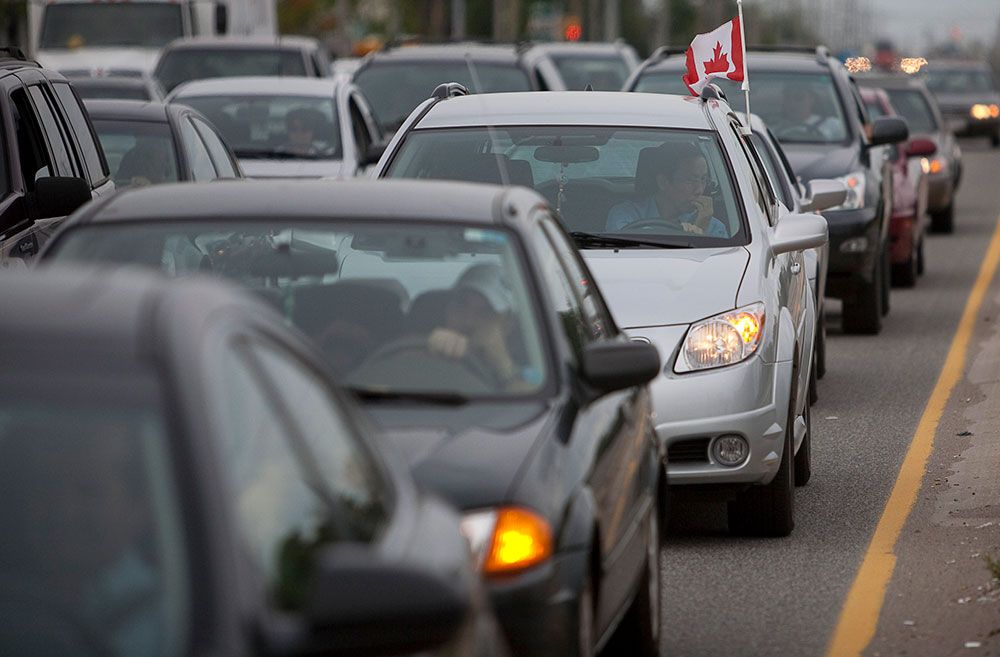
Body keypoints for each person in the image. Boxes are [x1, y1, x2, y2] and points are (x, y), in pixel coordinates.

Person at [427, 263, 531, 390]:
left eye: (486, 312)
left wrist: (504, 366)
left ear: (508, 324)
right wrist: (427, 354)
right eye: (461, 305)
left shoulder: (537, 362)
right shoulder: (415, 348)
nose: (468, 321)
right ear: (447, 310)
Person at [606, 141, 728, 237]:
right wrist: (689, 237)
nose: (699, 190)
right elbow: (625, 256)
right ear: (663, 182)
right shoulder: (625, 216)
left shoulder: (713, 227)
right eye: (691, 180)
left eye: (703, 179)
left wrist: (701, 229)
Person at [775, 86, 843, 141]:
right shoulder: (771, 127)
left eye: (799, 97)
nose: (792, 103)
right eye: (787, 98)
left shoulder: (834, 126)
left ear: (812, 99)